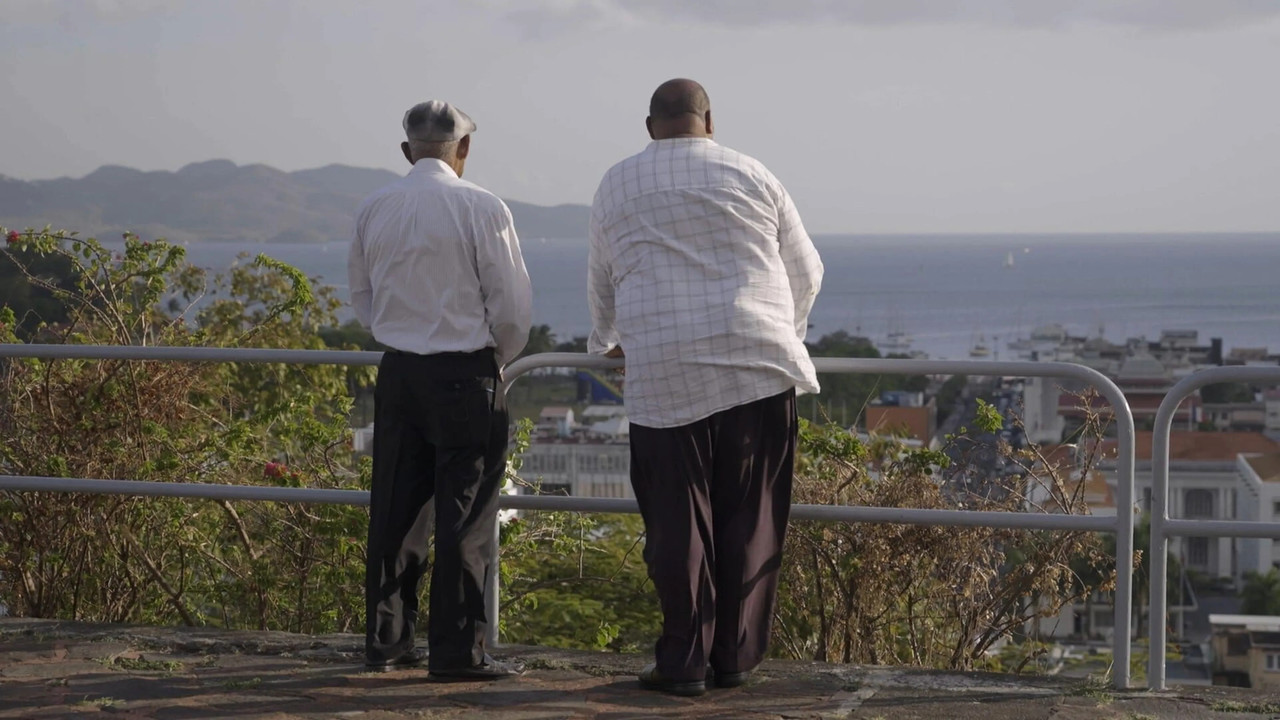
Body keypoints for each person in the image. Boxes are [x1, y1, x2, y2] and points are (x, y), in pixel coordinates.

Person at [587, 79, 824, 696]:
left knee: (676, 524)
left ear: (650, 126)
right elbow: (807, 271)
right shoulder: (752, 173)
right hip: (756, 365)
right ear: (710, 121)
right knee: (751, 517)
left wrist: (606, 338)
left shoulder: (617, 182)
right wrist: (785, 332)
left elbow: (603, 280)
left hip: (663, 369)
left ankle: (684, 662)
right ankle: (735, 658)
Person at [349, 100, 531, 680]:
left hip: (399, 373)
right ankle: (456, 654)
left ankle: (386, 643)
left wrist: (402, 335)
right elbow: (511, 306)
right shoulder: (482, 206)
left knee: (395, 510)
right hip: (464, 375)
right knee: (465, 517)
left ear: (407, 151)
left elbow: (363, 298)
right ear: (464, 148)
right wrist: (496, 359)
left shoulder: (375, 207)